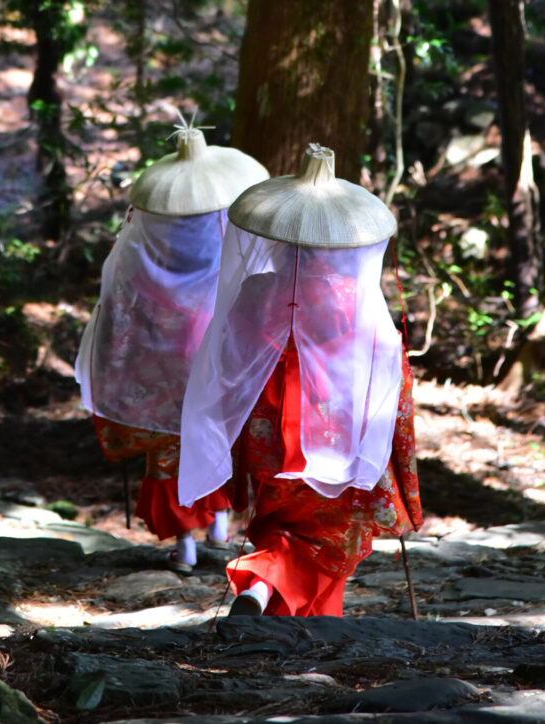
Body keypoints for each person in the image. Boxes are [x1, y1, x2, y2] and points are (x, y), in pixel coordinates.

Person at [177, 143, 422, 614]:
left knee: (278, 521)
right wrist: (401, 458)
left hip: (268, 431)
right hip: (339, 434)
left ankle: (264, 592)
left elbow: (229, 357)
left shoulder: (255, 290)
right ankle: (278, 596)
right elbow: (394, 378)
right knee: (332, 531)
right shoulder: (357, 299)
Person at [75, 117, 268, 572]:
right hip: (214, 339)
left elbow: (117, 303)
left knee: (168, 449)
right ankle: (220, 521)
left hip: (158, 353)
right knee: (217, 432)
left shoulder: (146, 238)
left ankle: (185, 545)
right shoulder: (222, 219)